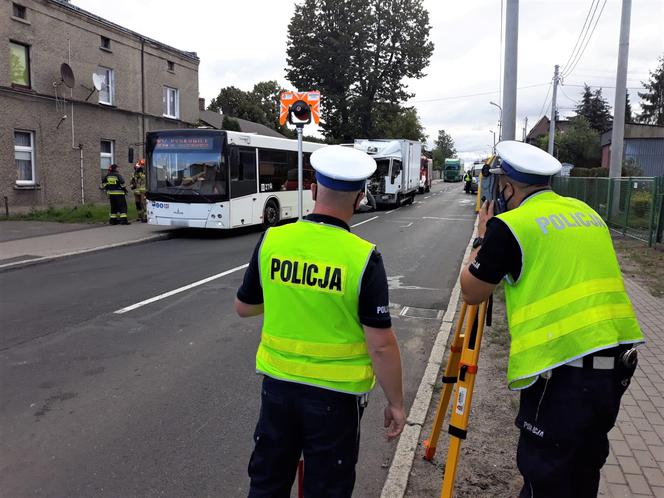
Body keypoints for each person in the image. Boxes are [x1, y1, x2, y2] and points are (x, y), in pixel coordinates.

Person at [459, 140, 644, 498]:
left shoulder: (511, 225)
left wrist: (483, 239)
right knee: (583, 473)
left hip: (562, 372)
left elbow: (472, 291)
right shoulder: (586, 212)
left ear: (508, 187)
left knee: (546, 479)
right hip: (615, 366)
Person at [234, 145, 406, 498]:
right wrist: (396, 403)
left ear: (313, 190)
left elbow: (245, 307)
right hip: (335, 400)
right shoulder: (363, 257)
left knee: (267, 482)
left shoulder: (273, 239)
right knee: (326, 488)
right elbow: (381, 345)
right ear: (360, 198)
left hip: (278, 389)